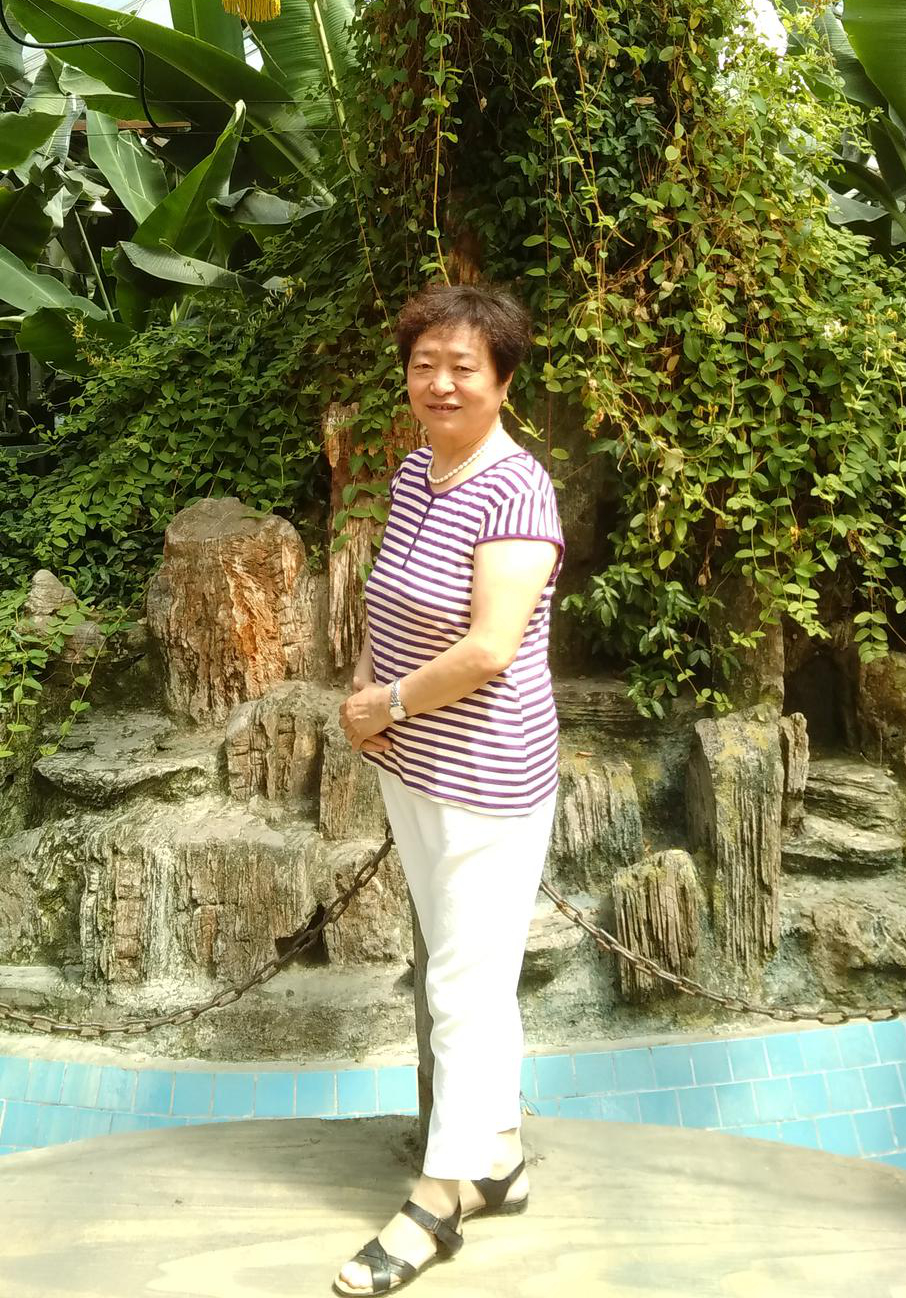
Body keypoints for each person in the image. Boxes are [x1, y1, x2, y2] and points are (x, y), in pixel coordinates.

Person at [334, 281, 566, 1295]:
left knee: (462, 985)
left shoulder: (518, 490)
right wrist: (372, 693)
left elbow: (488, 648)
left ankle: (438, 1202)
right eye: (424, 364)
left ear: (503, 379)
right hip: (415, 764)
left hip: (484, 774)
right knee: (470, 969)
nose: (440, 383)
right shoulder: (418, 469)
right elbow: (392, 600)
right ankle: (497, 1156)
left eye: (463, 366)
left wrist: (384, 702)